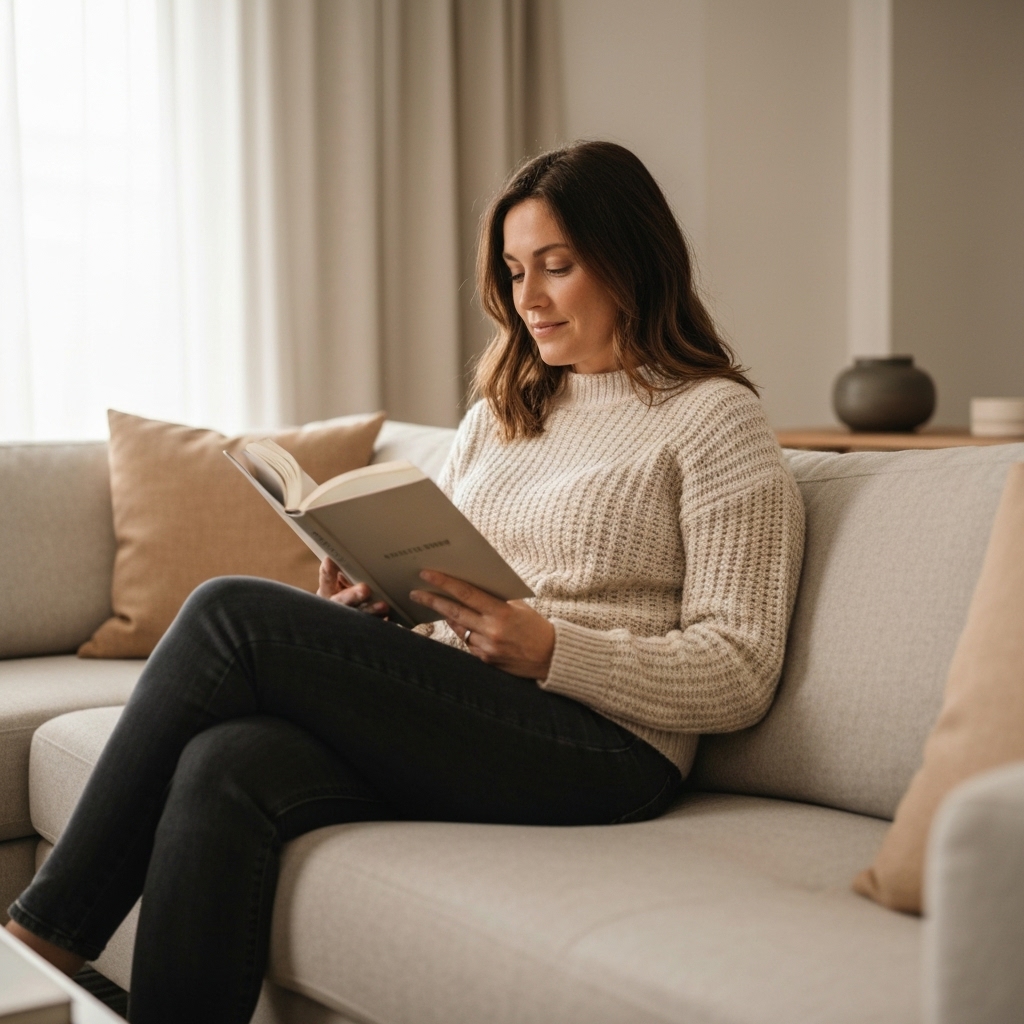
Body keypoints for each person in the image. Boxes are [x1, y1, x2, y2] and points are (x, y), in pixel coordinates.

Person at [5, 141, 805, 1023]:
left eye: (557, 267)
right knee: (227, 762)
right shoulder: (503, 413)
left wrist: (554, 651)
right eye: (512, 270)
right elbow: (451, 598)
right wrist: (379, 608)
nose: (527, 299)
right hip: (485, 706)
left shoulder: (714, 418)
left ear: (631, 260)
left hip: (610, 749)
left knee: (232, 614)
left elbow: (741, 667)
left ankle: (37, 948)